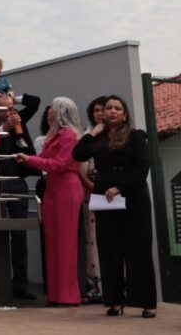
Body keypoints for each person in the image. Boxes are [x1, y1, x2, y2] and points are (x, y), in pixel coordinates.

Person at [72, 95, 157, 318]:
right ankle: (115, 301)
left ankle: (146, 302)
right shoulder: (97, 138)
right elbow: (77, 154)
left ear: (124, 113)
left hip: (133, 199)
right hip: (105, 201)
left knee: (138, 250)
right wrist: (92, 132)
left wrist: (119, 187)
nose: (111, 111)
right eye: (107, 108)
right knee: (110, 250)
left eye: (117, 108)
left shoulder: (136, 136)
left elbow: (142, 168)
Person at [16, 97, 84, 306]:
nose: (49, 111)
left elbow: (61, 163)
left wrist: (31, 159)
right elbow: (45, 160)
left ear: (61, 111)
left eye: (53, 108)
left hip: (66, 187)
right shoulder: (54, 135)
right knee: (52, 242)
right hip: (53, 188)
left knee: (65, 242)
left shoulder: (69, 135)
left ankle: (68, 294)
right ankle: (55, 293)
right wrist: (28, 157)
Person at [0, 93, 42, 299]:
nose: (10, 112)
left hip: (18, 182)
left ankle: (20, 285)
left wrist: (13, 96)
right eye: (4, 109)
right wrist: (4, 128)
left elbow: (35, 102)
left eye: (12, 108)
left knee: (19, 235)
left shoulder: (19, 119)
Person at [78, 96, 107, 302]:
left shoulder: (119, 135)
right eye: (96, 110)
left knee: (116, 238)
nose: (100, 113)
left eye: (103, 109)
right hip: (90, 193)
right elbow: (79, 160)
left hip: (115, 193)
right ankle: (95, 288)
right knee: (93, 239)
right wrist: (89, 183)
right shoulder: (87, 135)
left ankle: (118, 286)